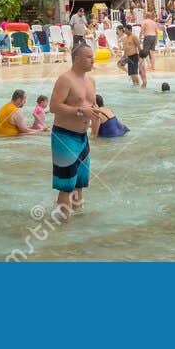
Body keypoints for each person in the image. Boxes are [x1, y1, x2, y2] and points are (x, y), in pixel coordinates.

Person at [49, 41, 103, 217]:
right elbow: (54, 107)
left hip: (82, 137)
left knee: (80, 184)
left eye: (92, 56)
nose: (92, 60)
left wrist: (95, 128)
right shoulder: (66, 79)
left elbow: (92, 106)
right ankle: (63, 226)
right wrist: (81, 111)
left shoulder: (91, 81)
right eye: (88, 57)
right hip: (64, 136)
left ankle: (78, 228)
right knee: (66, 186)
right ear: (77, 59)